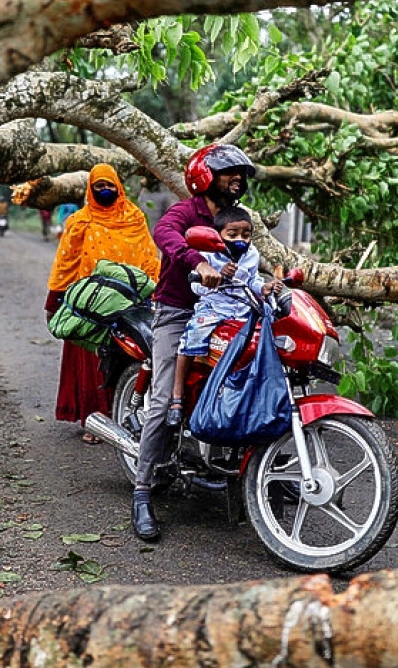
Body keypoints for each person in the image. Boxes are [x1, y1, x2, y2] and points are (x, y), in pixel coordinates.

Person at [131, 143, 255, 542]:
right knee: (166, 397)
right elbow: (163, 232)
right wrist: (196, 262)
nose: (237, 178)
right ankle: (142, 490)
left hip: (228, 310)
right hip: (178, 313)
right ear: (205, 176)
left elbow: (253, 258)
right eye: (228, 171)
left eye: (241, 173)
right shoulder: (187, 213)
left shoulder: (239, 219)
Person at [45, 164, 160, 444]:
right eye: (99, 187)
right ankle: (94, 420)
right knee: (92, 364)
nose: (105, 191)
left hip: (128, 303)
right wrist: (54, 299)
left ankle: (128, 419)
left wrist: (154, 292)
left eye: (110, 186)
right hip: (91, 305)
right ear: (90, 190)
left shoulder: (134, 218)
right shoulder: (80, 222)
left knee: (129, 361)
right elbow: (66, 263)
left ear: (119, 187)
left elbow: (148, 257)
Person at [168, 206, 280, 424]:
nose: (240, 240)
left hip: (242, 310)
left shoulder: (252, 254)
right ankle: (177, 396)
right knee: (191, 341)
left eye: (246, 235)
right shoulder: (207, 255)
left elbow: (252, 280)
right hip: (213, 308)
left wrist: (263, 289)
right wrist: (216, 275)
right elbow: (197, 289)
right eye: (233, 234)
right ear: (218, 235)